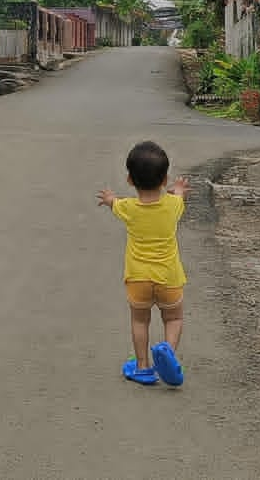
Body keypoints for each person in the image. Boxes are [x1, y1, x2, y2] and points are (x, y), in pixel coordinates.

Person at [97, 141, 188, 387]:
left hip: (138, 279)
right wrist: (178, 188)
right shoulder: (173, 206)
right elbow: (179, 196)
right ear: (164, 179)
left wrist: (109, 199)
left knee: (140, 321)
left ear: (129, 179)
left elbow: (115, 204)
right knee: (173, 319)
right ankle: (166, 353)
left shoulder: (129, 208)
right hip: (169, 278)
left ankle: (143, 367)